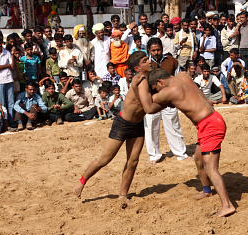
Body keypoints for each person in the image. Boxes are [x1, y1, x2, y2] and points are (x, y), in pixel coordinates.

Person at [132, 68, 235, 217]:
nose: (157, 92)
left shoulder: (170, 91)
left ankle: (227, 204)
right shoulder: (182, 76)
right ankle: (207, 191)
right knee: (198, 159)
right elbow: (185, 84)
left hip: (210, 125)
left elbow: (148, 107)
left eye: (156, 89)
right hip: (210, 120)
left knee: (210, 167)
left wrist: (136, 87)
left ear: (160, 82)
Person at [73, 52, 152, 205]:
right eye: (145, 61)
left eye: (148, 59)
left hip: (138, 124)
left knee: (133, 161)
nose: (149, 62)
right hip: (122, 123)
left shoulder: (150, 78)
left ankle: (123, 195)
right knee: (104, 159)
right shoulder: (139, 80)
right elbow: (148, 105)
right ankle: (82, 181)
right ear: (137, 67)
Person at [145, 37, 188, 165]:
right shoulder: (145, 64)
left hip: (169, 100)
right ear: (149, 50)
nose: (156, 52)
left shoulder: (172, 61)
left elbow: (178, 79)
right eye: (153, 50)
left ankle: (180, 153)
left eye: (158, 50)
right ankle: (154, 155)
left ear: (162, 49)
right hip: (152, 100)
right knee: (151, 127)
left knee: (174, 126)